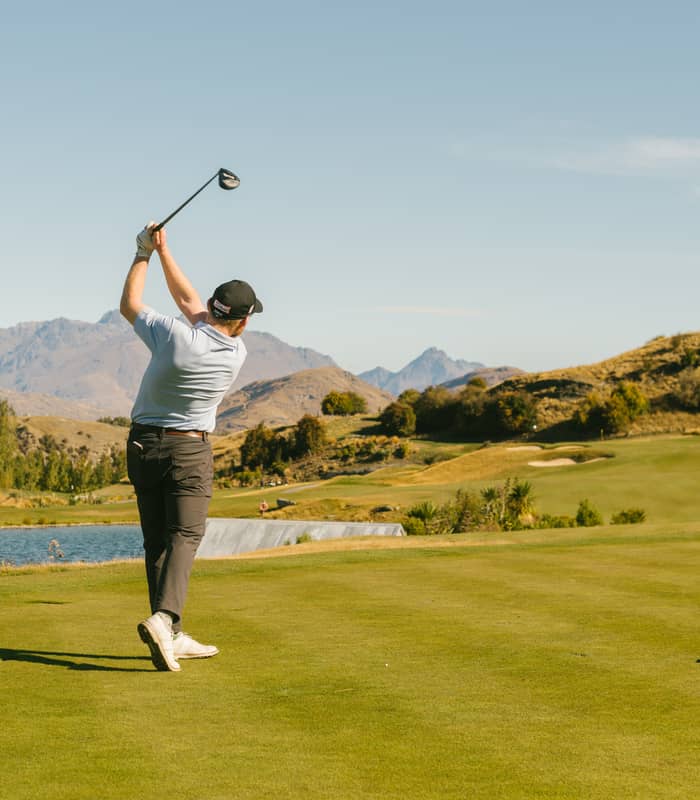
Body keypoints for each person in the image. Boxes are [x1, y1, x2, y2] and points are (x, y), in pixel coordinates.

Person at [120, 223, 262, 672]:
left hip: (141, 445)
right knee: (186, 535)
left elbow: (134, 306)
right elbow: (192, 304)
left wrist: (147, 252)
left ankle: (172, 634)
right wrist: (160, 251)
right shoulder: (234, 354)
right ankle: (165, 619)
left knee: (156, 541)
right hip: (188, 451)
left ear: (213, 308)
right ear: (241, 320)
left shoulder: (173, 336)